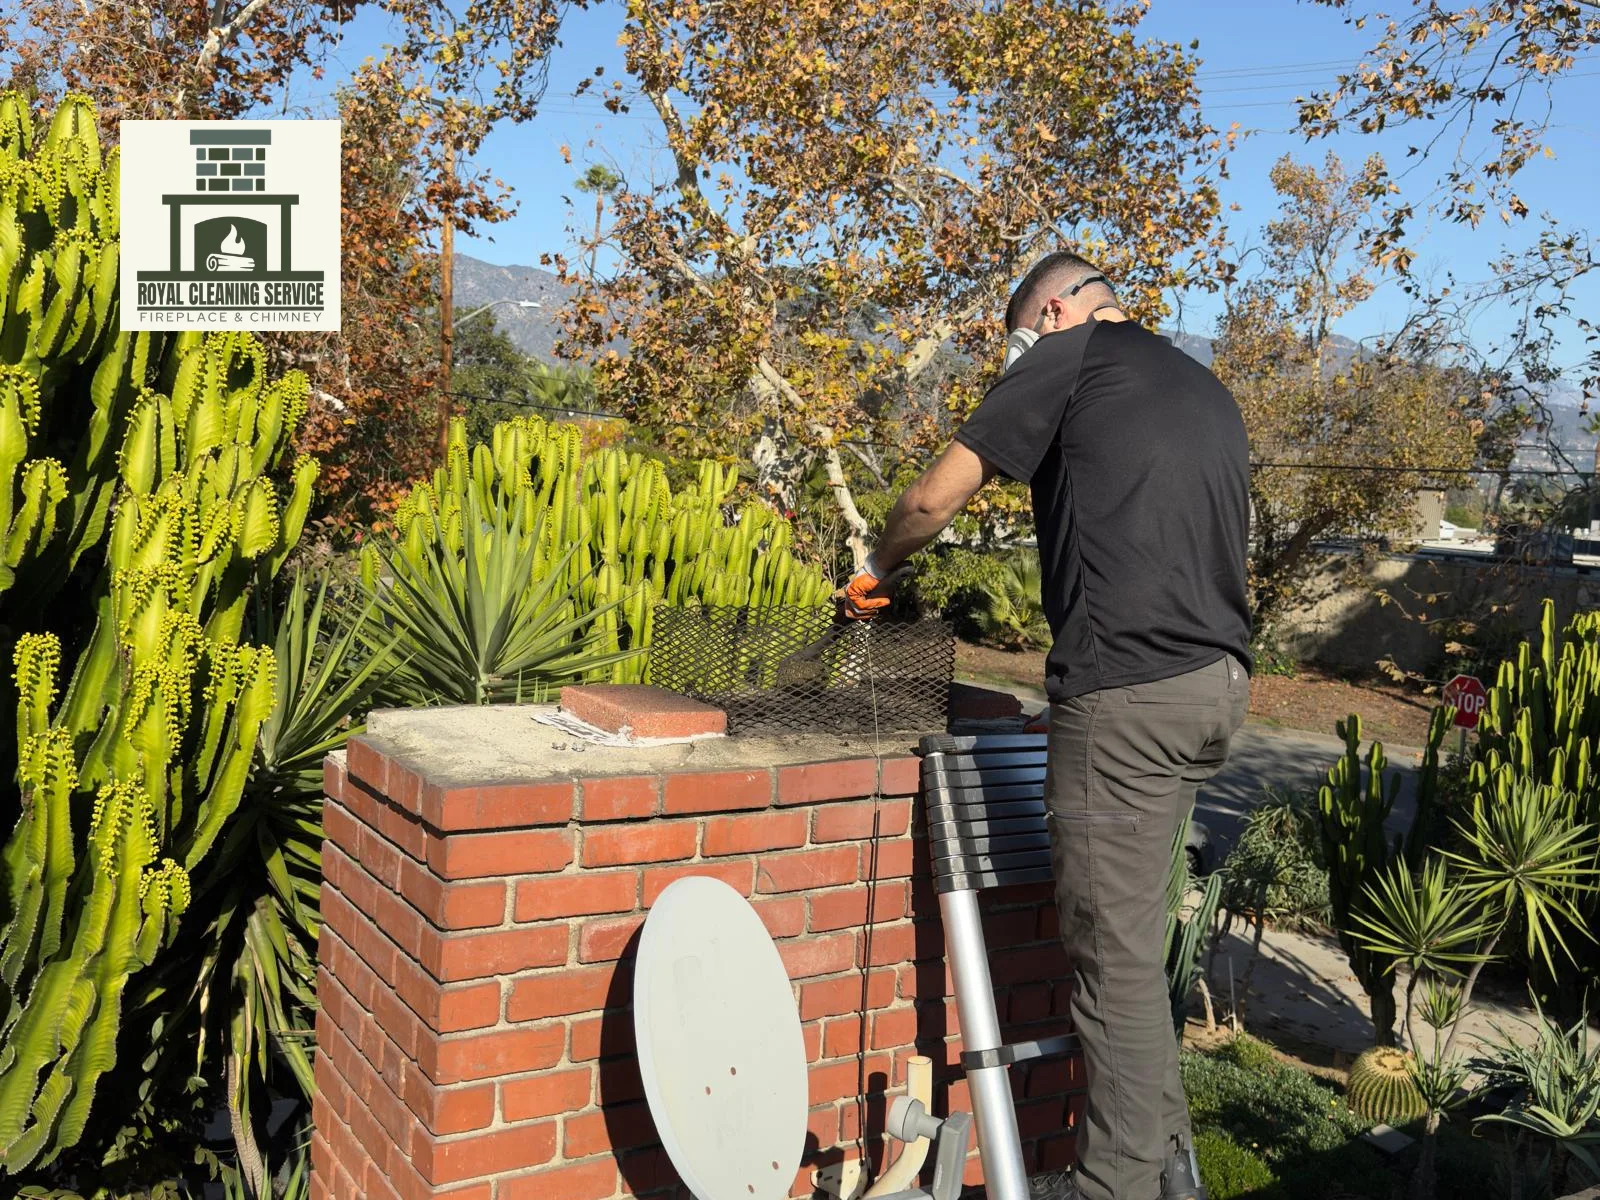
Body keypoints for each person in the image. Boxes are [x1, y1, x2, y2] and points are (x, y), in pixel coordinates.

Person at [839, 253, 1252, 1200]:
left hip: (1131, 699)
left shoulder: (1070, 357)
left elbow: (934, 496)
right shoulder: (1195, 381)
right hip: (1213, 688)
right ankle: (1170, 1171)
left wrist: (880, 568)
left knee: (1109, 962)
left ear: (1056, 310)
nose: (1019, 355)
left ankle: (1112, 1186)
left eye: (1022, 335)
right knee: (1137, 957)